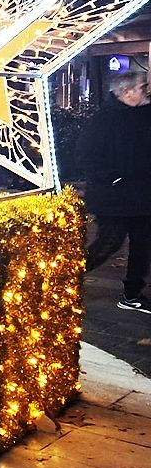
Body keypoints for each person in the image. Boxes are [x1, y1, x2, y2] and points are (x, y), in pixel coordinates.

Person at [78, 71, 151, 314]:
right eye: (142, 87)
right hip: (114, 199)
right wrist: (113, 179)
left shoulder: (142, 114)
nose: (146, 90)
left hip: (140, 197)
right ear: (127, 92)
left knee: (142, 245)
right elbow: (87, 155)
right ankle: (65, 276)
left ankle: (132, 294)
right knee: (108, 244)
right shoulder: (105, 119)